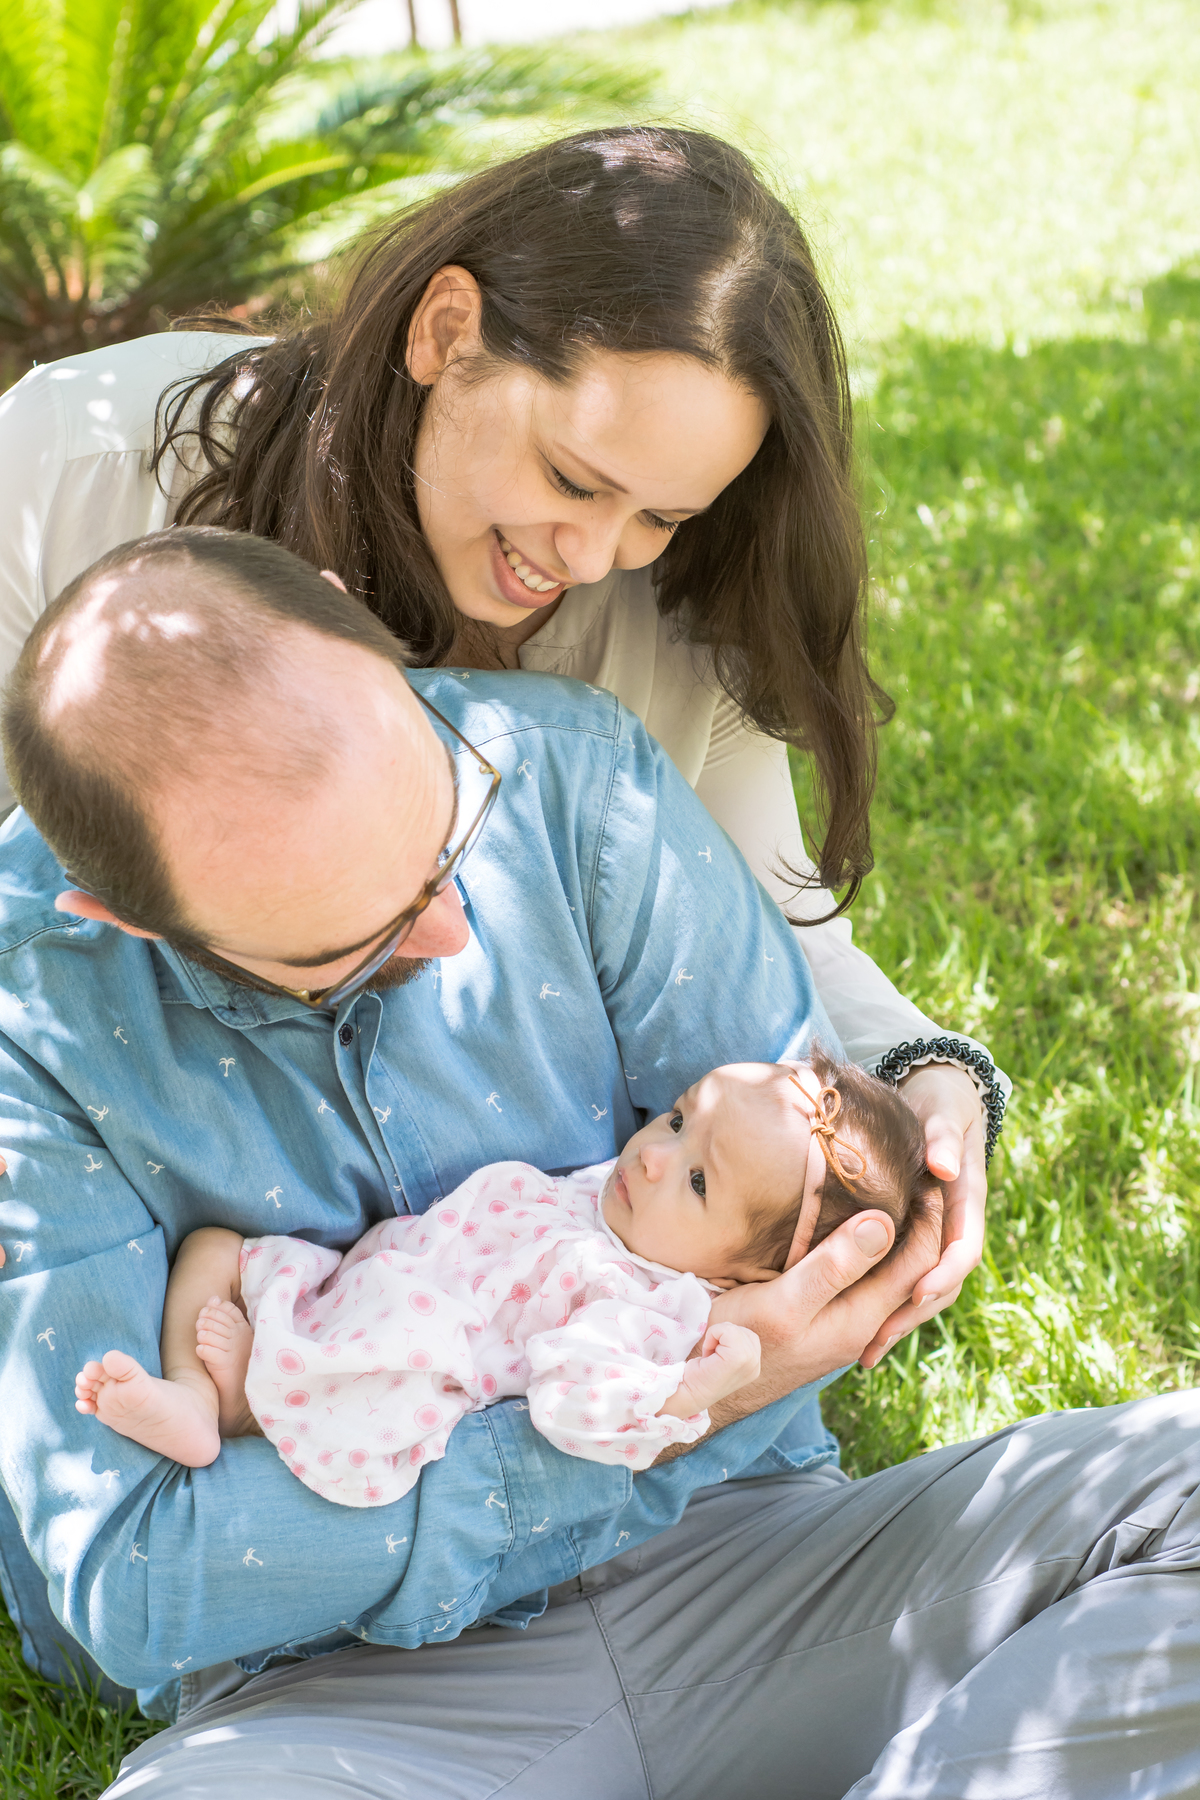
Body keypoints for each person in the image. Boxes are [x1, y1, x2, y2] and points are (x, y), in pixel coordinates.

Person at [1, 530, 1199, 1796]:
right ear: (128, 917)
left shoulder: (576, 782)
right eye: (358, 942)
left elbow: (823, 1251)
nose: (457, 932)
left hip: (755, 1568)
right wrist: (665, 1421)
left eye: (447, 838)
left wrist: (722, 1406)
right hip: (346, 1700)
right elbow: (137, 1584)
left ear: (354, 621)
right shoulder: (33, 1024)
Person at [0, 125, 1005, 1340]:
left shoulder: (666, 618)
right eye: (575, 480)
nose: (589, 558)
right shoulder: (72, 464)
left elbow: (780, 925)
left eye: (663, 515)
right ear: (445, 331)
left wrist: (935, 1079)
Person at [72, 1056, 933, 1499]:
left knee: (313, 1352)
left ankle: (245, 1407)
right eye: (677, 1118)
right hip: (343, 1289)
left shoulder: (643, 1301)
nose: (658, 1157)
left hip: (399, 1361)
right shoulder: (622, 1199)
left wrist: (690, 1386)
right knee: (217, 1247)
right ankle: (201, 1396)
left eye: (702, 1181)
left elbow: (577, 1405)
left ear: (746, 1272)